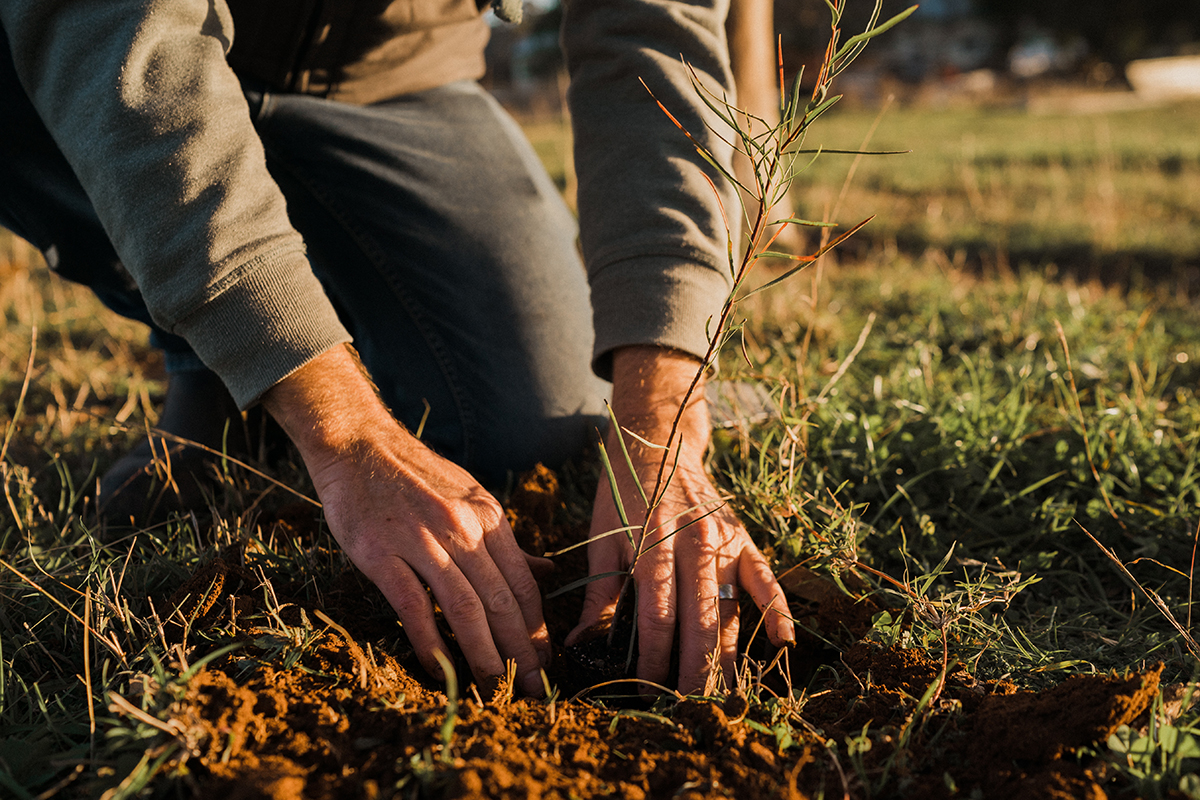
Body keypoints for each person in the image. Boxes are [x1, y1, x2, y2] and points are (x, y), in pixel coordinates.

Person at [0, 0, 795, 697]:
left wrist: (660, 419)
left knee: (528, 430)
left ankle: (292, 326)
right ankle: (216, 355)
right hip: (105, 59)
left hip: (389, 85)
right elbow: (114, 34)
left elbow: (653, 33)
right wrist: (345, 431)